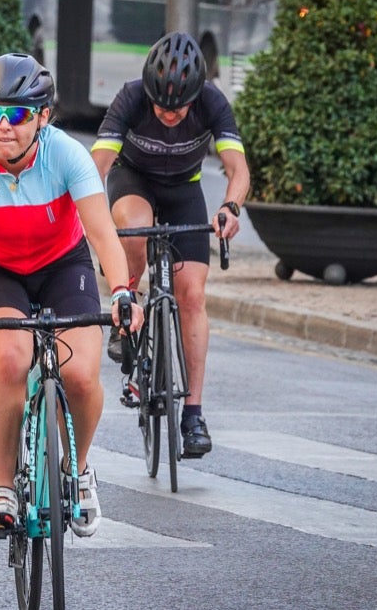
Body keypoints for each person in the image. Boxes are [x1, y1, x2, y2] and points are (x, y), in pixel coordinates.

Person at [0, 52, 142, 537]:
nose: (3, 125)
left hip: (62, 265)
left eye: (17, 114)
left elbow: (103, 236)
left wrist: (121, 292)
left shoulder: (67, 156)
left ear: (43, 117)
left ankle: (78, 468)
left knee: (81, 375)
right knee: (11, 360)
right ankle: (1, 486)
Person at [90, 31, 250, 458]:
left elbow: (238, 169)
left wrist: (230, 207)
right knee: (136, 229)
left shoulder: (213, 102)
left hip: (184, 189)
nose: (167, 114)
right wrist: (89, 216)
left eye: (178, 108)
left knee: (192, 294)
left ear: (196, 95)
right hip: (133, 180)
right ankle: (128, 304)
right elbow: (97, 166)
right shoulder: (130, 97)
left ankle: (193, 414)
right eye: (160, 105)